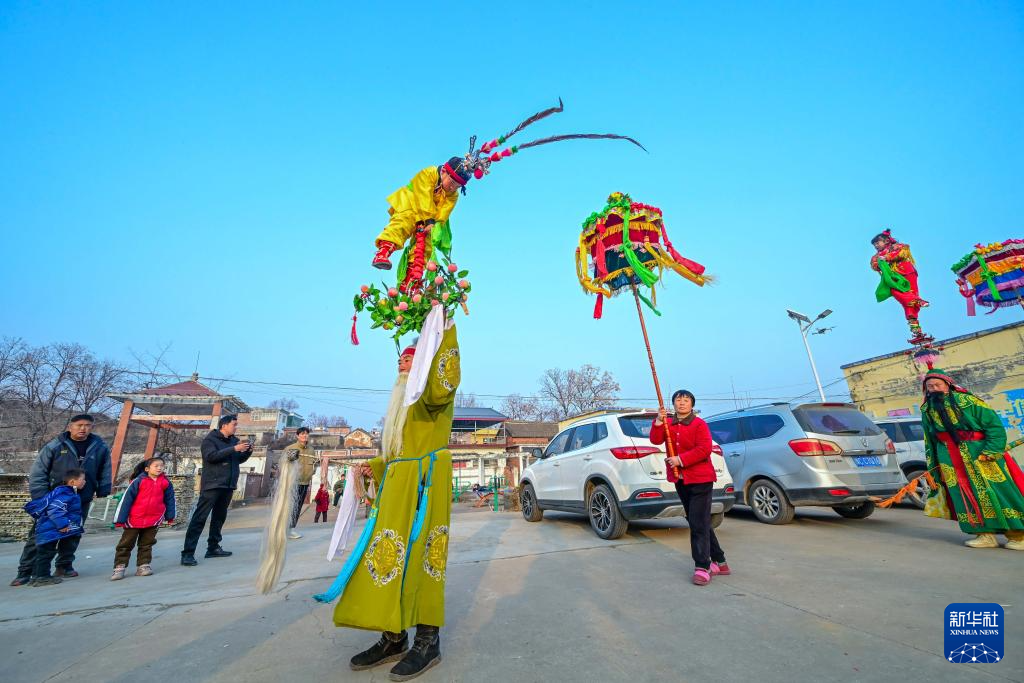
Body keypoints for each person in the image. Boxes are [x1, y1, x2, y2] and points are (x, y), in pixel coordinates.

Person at [320, 322, 460, 680]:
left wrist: (443, 326)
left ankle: (428, 641)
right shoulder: (400, 407)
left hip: (426, 484)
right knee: (387, 556)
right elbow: (400, 452)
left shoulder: (431, 395)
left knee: (423, 557)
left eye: (411, 358)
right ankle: (394, 638)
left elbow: (443, 382)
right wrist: (378, 465)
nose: (402, 363)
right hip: (397, 488)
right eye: (400, 359)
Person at [920, 369, 1024, 549]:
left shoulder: (969, 401)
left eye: (938, 385)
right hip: (949, 457)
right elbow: (930, 438)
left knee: (998, 491)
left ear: (948, 385)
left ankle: (1018, 535)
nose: (934, 389)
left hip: (979, 453)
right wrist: (934, 463)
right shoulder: (927, 409)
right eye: (930, 386)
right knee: (963, 495)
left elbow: (994, 426)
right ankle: (984, 535)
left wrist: (991, 450)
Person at [11, 414, 111, 586]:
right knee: (40, 535)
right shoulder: (55, 445)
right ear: (70, 427)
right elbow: (39, 471)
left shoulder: (99, 446)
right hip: (54, 499)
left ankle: (64, 566)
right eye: (79, 425)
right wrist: (42, 497)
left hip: (81, 499)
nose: (83, 428)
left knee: (73, 533)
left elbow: (105, 469)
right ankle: (25, 571)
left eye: (87, 425)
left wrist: (103, 488)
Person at [651, 390, 730, 586]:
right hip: (681, 479)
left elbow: (704, 449)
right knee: (698, 521)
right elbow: (655, 440)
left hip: (701, 479)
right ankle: (720, 562)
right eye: (678, 400)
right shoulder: (669, 423)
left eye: (686, 400)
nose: (682, 403)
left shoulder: (699, 424)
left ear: (692, 404)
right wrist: (659, 421)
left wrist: (680, 459)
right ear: (673, 404)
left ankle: (703, 567)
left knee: (697, 522)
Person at [371, 158, 471, 284]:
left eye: (457, 186)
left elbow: (444, 212)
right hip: (411, 203)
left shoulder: (453, 194)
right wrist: (429, 220)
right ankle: (383, 253)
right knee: (403, 223)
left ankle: (411, 280)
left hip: (429, 217)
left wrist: (436, 226)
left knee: (426, 244)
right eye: (452, 182)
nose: (452, 188)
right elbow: (424, 197)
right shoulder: (429, 173)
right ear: (444, 171)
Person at [181, 414, 252, 566]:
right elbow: (211, 457)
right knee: (200, 518)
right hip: (212, 485)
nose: (236, 427)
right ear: (224, 425)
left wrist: (247, 452)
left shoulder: (233, 440)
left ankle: (213, 547)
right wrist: (234, 448)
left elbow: (237, 460)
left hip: (228, 485)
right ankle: (188, 553)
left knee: (219, 518)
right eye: (234, 424)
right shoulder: (210, 440)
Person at [110, 456, 176, 580]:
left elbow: (170, 500)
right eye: (156, 466)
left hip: (154, 519)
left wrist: (170, 516)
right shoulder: (138, 481)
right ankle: (119, 567)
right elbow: (126, 500)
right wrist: (120, 519)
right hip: (134, 519)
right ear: (147, 469)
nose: (159, 468)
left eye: (162, 466)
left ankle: (143, 566)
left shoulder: (165, 483)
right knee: (125, 544)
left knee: (147, 544)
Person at [24, 469, 87, 586]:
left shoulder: (64, 492)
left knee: (44, 553)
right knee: (46, 553)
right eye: (82, 479)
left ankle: (36, 577)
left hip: (49, 530)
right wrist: (63, 525)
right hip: (51, 530)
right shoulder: (64, 494)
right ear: (72, 482)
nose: (85, 482)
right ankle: (42, 577)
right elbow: (55, 510)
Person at [870, 229, 933, 345]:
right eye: (874, 245)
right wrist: (879, 262)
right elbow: (874, 264)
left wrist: (887, 257)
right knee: (895, 291)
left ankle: (915, 327)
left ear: (886, 240)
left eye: (877, 243)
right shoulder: (876, 256)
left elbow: (902, 252)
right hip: (894, 277)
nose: (876, 246)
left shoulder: (898, 246)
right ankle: (918, 301)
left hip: (907, 272)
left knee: (909, 298)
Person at [282, 426, 317, 540]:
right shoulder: (291, 448)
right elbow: (283, 464)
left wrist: (312, 471)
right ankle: (283, 528)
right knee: (290, 506)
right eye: (302, 434)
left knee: (298, 507)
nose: (305, 436)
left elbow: (314, 463)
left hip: (305, 482)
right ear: (297, 436)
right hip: (293, 482)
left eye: (306, 433)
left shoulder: (311, 449)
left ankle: (291, 529)